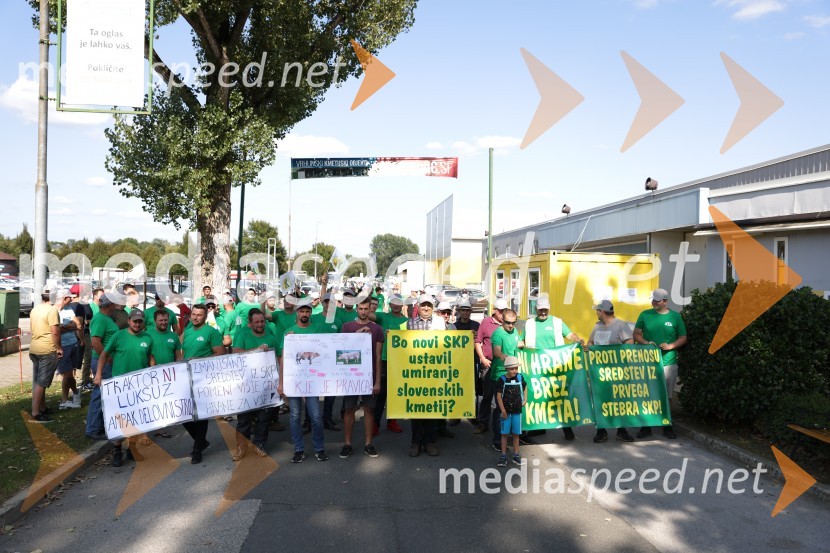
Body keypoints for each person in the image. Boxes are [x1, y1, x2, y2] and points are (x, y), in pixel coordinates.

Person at [95, 309, 155, 466]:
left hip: (139, 385)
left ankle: (131, 449)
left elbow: (150, 359)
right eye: (134, 321)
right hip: (120, 385)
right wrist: (98, 374)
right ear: (129, 321)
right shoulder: (118, 335)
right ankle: (117, 450)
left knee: (136, 419)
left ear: (143, 322)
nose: (137, 324)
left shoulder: (148, 338)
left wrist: (153, 375)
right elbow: (104, 355)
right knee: (119, 419)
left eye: (140, 321)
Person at [520, 295, 583, 441]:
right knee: (536, 396)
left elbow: (570, 335)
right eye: (541, 310)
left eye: (545, 310)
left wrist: (577, 340)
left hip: (555, 366)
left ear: (549, 309)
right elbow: (522, 339)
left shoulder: (557, 322)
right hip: (535, 366)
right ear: (536, 309)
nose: (543, 313)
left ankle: (567, 428)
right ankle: (539, 427)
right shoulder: (529, 323)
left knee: (558, 396)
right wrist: (520, 343)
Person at [633, 289, 688, 440]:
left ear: (665, 301)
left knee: (667, 396)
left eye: (656, 300)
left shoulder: (675, 316)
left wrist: (671, 346)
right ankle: (646, 426)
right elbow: (636, 334)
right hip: (647, 362)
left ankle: (667, 425)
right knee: (648, 394)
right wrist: (646, 343)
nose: (653, 303)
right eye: (652, 300)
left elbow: (683, 337)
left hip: (668, 362)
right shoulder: (645, 314)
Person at [232, 308, 283, 460]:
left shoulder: (271, 338)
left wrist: (280, 380)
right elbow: (236, 353)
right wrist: (257, 350)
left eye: (262, 321)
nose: (260, 325)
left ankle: (259, 444)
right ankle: (241, 448)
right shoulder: (243, 334)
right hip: (245, 385)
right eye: (257, 322)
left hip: (265, 386)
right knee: (244, 420)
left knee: (263, 419)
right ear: (250, 323)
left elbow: (279, 359)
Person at [339, 298, 383, 459]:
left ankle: (368, 443)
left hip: (368, 376)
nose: (363, 311)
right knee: (349, 409)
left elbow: (378, 357)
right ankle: (347, 444)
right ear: (356, 309)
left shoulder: (377, 329)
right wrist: (356, 335)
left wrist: (377, 381)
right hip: (350, 376)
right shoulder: (347, 327)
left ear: (370, 309)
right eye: (361, 308)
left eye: (366, 309)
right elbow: (342, 352)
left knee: (369, 409)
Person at [586, 300, 635, 443]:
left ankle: (621, 430)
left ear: (602, 312)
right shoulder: (597, 326)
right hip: (600, 372)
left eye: (597, 311)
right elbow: (591, 342)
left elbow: (630, 345)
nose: (596, 313)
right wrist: (589, 348)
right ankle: (601, 430)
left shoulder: (621, 325)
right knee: (600, 400)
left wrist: (614, 354)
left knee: (620, 400)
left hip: (618, 372)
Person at [182, 304, 226, 463]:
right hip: (186, 377)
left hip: (204, 378)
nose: (195, 317)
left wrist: (200, 361)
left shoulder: (212, 332)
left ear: (205, 317)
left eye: (199, 315)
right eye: (193, 314)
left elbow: (220, 354)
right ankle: (202, 441)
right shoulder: (186, 331)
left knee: (201, 415)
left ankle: (197, 448)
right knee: (184, 413)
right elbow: (183, 352)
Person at [406, 294, 446, 457]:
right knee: (416, 409)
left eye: (429, 305)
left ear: (433, 307)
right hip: (416, 371)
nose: (426, 308)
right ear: (418, 307)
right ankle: (415, 442)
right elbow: (405, 345)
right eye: (423, 305)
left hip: (434, 371)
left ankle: (430, 442)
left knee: (432, 409)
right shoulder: (411, 323)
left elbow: (446, 343)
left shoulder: (439, 323)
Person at [368, 294, 407, 435]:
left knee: (396, 393)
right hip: (384, 360)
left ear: (402, 305)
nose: (396, 305)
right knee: (382, 394)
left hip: (400, 361)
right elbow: (369, 315)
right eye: (393, 302)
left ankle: (392, 421)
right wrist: (369, 303)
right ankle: (376, 423)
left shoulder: (407, 321)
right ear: (389, 305)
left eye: (399, 302)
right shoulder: (383, 317)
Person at [85, 295, 121, 440]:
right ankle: (92, 428)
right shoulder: (100, 319)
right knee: (100, 394)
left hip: (106, 361)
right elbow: (95, 343)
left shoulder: (106, 319)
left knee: (105, 394)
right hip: (103, 362)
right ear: (109, 304)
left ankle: (99, 425)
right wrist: (108, 358)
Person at [489, 309, 522, 451]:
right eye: (508, 323)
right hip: (501, 375)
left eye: (514, 323)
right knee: (500, 408)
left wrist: (522, 344)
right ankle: (497, 439)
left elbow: (519, 343)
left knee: (512, 406)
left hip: (513, 374)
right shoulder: (498, 333)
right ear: (502, 320)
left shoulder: (514, 332)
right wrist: (504, 357)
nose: (511, 326)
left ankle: (508, 435)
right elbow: (496, 351)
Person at [474, 298, 507, 435]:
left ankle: (502, 424)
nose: (502, 313)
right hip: (489, 363)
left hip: (503, 366)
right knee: (487, 396)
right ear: (495, 310)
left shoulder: (508, 323)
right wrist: (482, 358)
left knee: (503, 397)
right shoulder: (486, 322)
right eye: (500, 311)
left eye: (504, 310)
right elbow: (478, 341)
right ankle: (483, 422)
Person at [28, 290, 62, 423]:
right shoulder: (52, 310)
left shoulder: (35, 309)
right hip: (47, 349)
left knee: (38, 380)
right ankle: (36, 413)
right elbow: (55, 331)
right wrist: (59, 347)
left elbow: (33, 328)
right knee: (42, 382)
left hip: (34, 348)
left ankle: (42, 407)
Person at [53, 288, 83, 410]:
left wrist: (63, 326)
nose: (72, 299)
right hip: (62, 346)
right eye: (70, 297)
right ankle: (73, 394)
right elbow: (54, 330)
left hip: (73, 344)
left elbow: (78, 325)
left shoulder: (69, 309)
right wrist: (69, 326)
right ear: (64, 298)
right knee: (67, 373)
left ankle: (67, 398)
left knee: (69, 373)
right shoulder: (53, 311)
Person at [496, 356, 527, 467]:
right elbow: (499, 396)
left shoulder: (520, 377)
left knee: (516, 434)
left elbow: (525, 386)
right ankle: (503, 455)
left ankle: (516, 454)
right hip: (505, 413)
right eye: (511, 369)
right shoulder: (502, 380)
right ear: (506, 369)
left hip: (517, 411)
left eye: (516, 368)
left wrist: (525, 399)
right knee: (504, 434)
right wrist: (503, 410)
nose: (514, 371)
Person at [453, 299, 480, 423]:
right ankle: (456, 415)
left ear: (470, 311)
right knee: (457, 389)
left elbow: (479, 342)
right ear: (459, 311)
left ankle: (472, 414)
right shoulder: (454, 326)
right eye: (462, 310)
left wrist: (475, 337)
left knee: (472, 389)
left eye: (467, 310)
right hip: (457, 362)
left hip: (472, 361)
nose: (465, 312)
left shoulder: (476, 325)